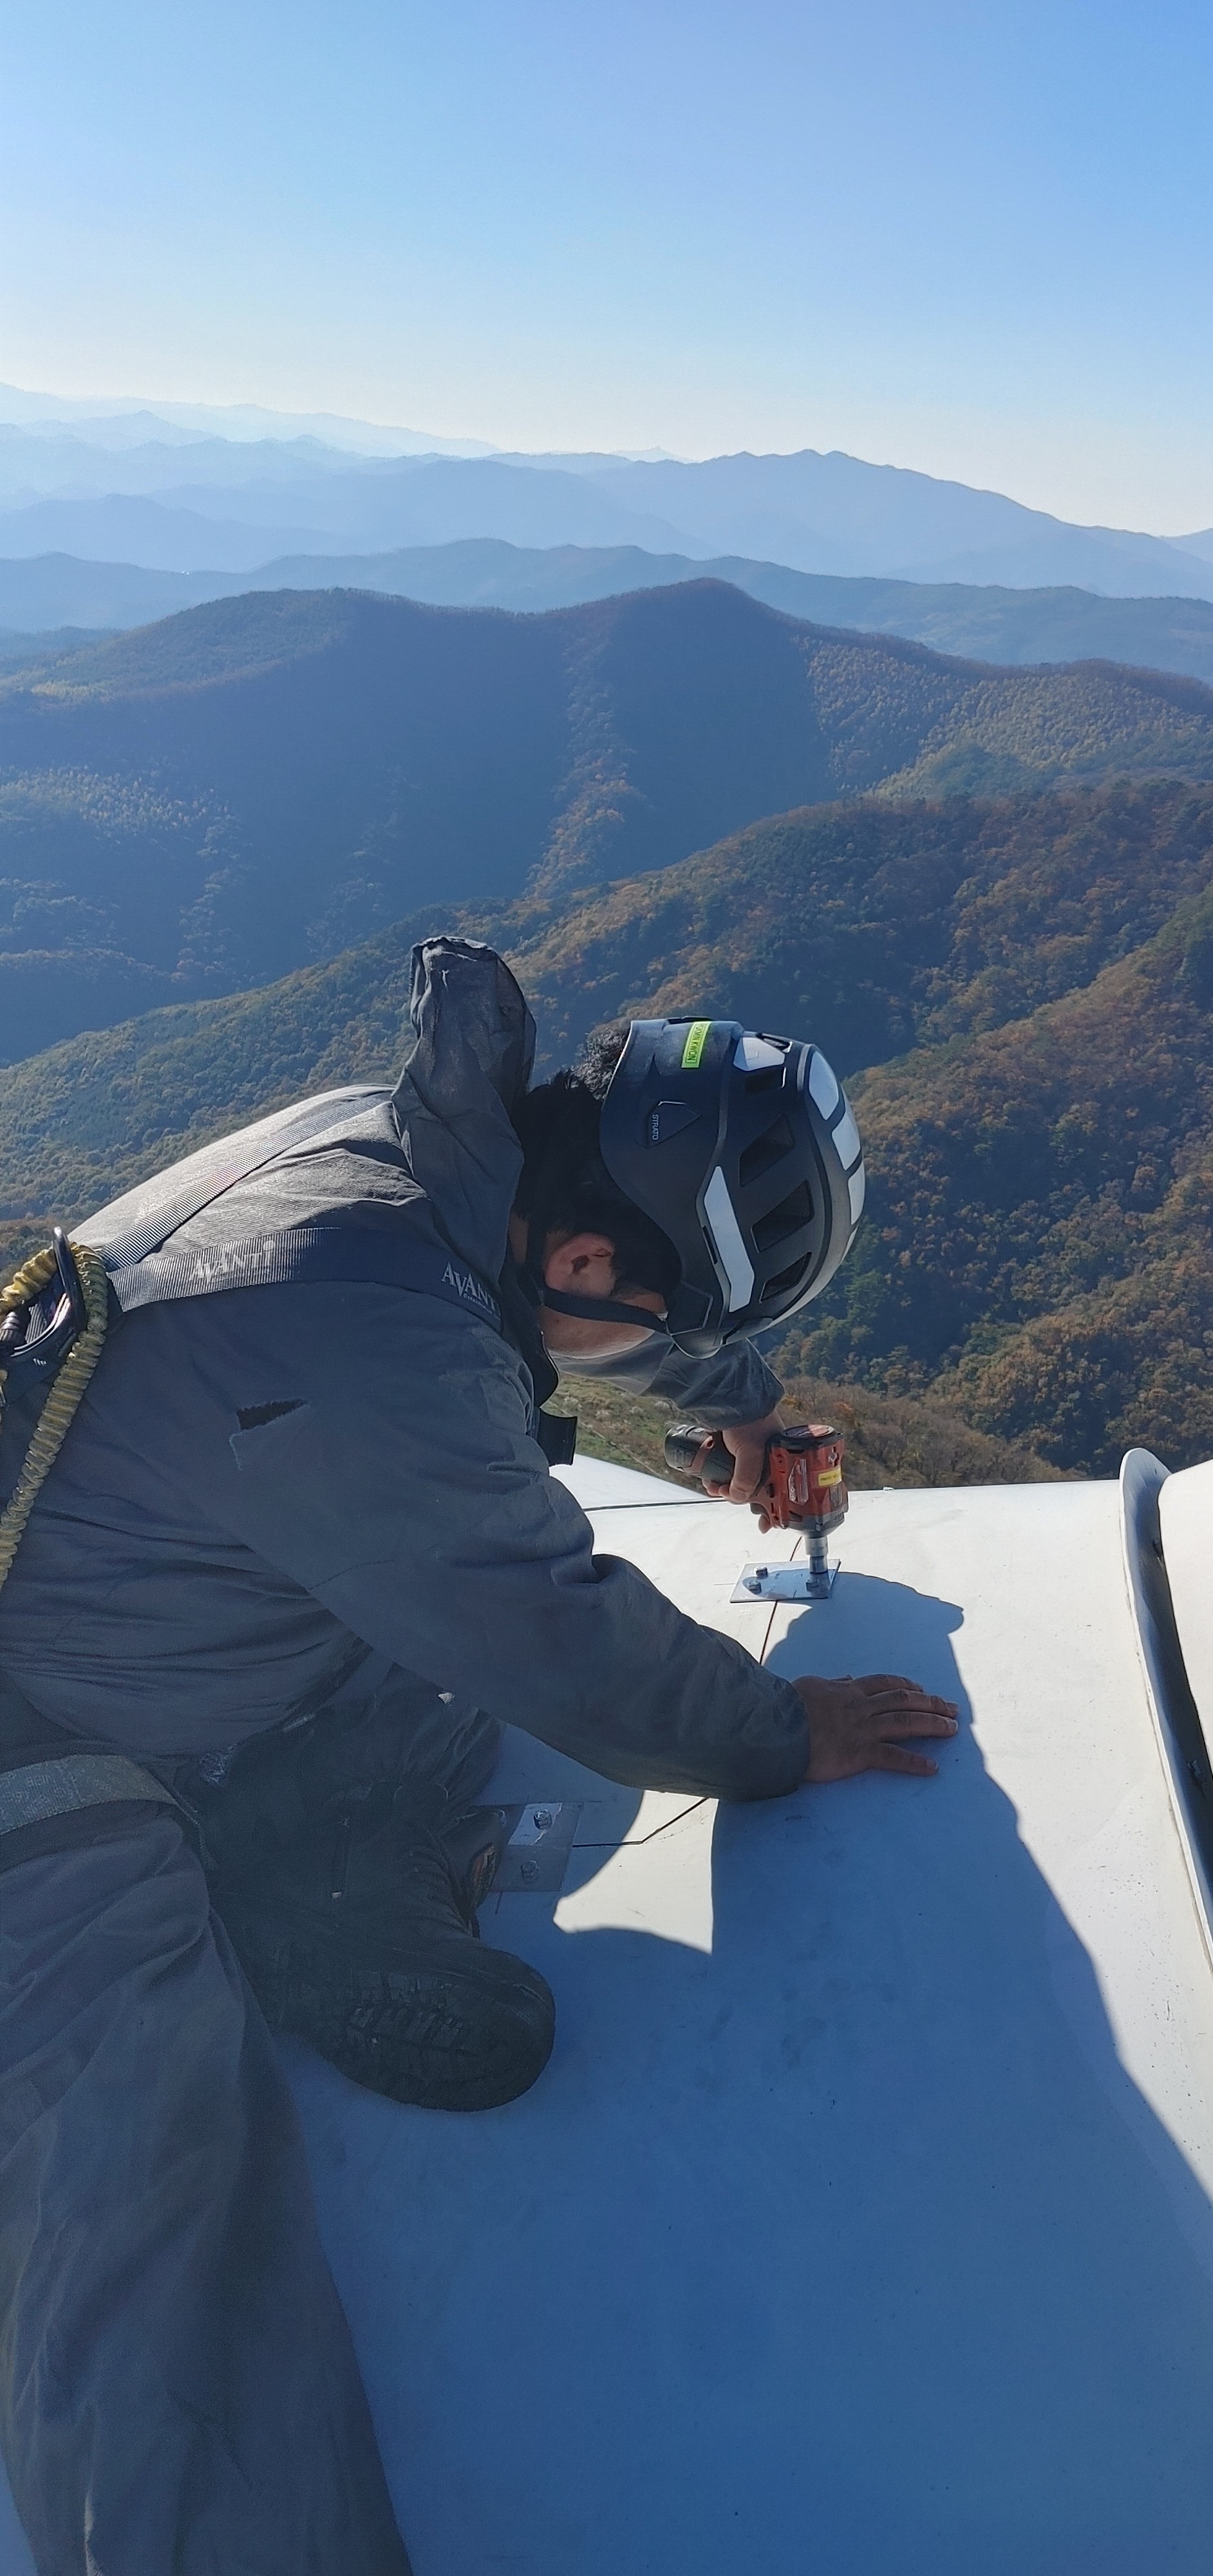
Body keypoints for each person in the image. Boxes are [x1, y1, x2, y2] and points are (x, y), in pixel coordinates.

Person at [0, 938, 956, 2574]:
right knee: (158, 2211)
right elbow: (558, 1631)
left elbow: (562, 1306)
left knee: (444, 1630)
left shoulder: (411, 1159)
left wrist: (731, 1396)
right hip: (37, 1747)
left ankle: (299, 1885)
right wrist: (783, 1730)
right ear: (583, 1242)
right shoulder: (361, 1344)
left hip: (156, 1618)